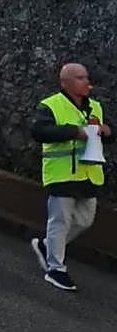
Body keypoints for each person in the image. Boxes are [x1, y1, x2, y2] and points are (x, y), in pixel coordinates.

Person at [30, 62, 111, 291]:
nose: (87, 82)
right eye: (80, 78)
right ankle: (56, 269)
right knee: (60, 221)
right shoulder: (50, 105)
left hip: (88, 174)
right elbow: (39, 131)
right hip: (62, 173)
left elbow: (107, 132)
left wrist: (106, 131)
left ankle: (48, 246)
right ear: (65, 83)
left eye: (86, 78)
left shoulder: (94, 106)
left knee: (85, 220)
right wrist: (76, 132)